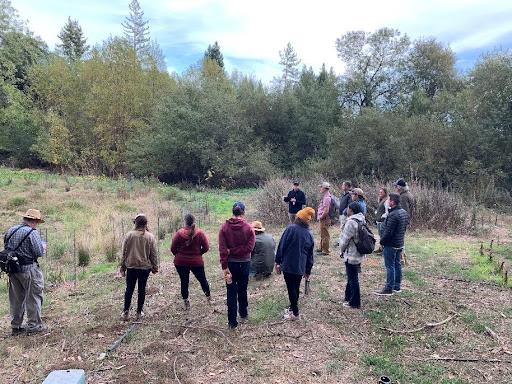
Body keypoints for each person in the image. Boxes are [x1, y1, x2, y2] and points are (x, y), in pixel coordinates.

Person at [5, 209, 46, 335]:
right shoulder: (32, 233)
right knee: (33, 297)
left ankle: (16, 327)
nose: (37, 224)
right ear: (34, 221)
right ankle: (34, 326)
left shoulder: (11, 230)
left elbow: (7, 248)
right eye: (37, 222)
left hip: (13, 270)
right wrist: (44, 247)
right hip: (29, 270)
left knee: (16, 299)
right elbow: (39, 252)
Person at [219, 202, 256, 329]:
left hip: (230, 264)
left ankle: (232, 322)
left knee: (231, 291)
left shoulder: (224, 228)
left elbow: (223, 250)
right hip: (245, 263)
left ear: (232, 212)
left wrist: (225, 266)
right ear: (243, 212)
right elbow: (249, 248)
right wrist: (238, 250)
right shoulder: (249, 228)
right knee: (242, 288)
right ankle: (243, 313)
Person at [275, 207, 315, 321]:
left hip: (288, 265)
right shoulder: (309, 234)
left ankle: (295, 313)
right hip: (300, 267)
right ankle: (293, 308)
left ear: (298, 217)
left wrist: (278, 262)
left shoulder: (290, 229)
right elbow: (310, 256)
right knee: (295, 287)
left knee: (291, 288)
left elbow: (281, 246)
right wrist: (308, 270)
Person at [120, 214, 159, 321]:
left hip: (131, 267)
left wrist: (122, 267)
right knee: (141, 289)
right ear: (146, 224)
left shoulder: (129, 235)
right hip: (144, 268)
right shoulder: (150, 236)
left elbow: (124, 253)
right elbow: (153, 254)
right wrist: (155, 267)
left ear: (135, 223)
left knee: (129, 289)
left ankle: (126, 312)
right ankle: (139, 312)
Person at [171, 214, 211, 310]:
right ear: (194, 221)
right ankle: (209, 298)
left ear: (184, 221)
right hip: (196, 262)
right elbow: (206, 247)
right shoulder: (200, 233)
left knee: (184, 281)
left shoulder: (179, 233)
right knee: (202, 279)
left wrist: (179, 254)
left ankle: (186, 302)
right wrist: (198, 254)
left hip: (180, 262)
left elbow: (173, 249)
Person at [374, 193, 409, 296]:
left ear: (392, 202)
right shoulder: (403, 212)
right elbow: (404, 228)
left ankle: (389, 288)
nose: (387, 201)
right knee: (397, 264)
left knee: (390, 266)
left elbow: (388, 232)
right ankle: (397, 287)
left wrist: (382, 242)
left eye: (389, 200)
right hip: (399, 243)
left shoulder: (393, 215)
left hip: (391, 244)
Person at [339, 202, 366, 309]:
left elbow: (345, 240)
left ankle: (355, 302)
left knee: (353, 278)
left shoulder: (351, 222)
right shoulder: (361, 219)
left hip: (352, 254)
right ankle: (348, 297)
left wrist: (341, 251)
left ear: (351, 210)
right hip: (359, 253)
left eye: (348, 208)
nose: (347, 210)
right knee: (352, 276)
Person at [316, 182, 332, 255]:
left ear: (325, 188)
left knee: (325, 234)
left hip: (324, 218)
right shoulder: (325, 196)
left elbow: (326, 211)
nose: (320, 188)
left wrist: (321, 217)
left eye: (321, 187)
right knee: (322, 233)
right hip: (323, 218)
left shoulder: (327, 198)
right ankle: (321, 248)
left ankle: (326, 250)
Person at [374, 187, 389, 253]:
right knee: (380, 236)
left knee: (383, 236)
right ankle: (381, 248)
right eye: (379, 192)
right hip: (379, 221)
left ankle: (384, 250)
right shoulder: (381, 200)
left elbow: (387, 211)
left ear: (385, 193)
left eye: (381, 192)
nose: (380, 193)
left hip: (383, 221)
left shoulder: (386, 200)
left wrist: (382, 217)